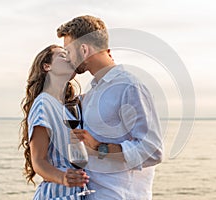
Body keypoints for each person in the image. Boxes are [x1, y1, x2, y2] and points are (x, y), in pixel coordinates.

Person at [57, 15, 163, 199]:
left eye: (69, 51)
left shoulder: (129, 86)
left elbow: (153, 150)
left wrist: (100, 147)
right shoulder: (94, 90)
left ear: (83, 50)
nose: (67, 58)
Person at [19, 44, 89, 199]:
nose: (69, 59)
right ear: (47, 66)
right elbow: (38, 162)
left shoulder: (69, 107)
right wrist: (63, 177)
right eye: (62, 56)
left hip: (75, 194)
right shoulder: (44, 103)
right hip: (56, 194)